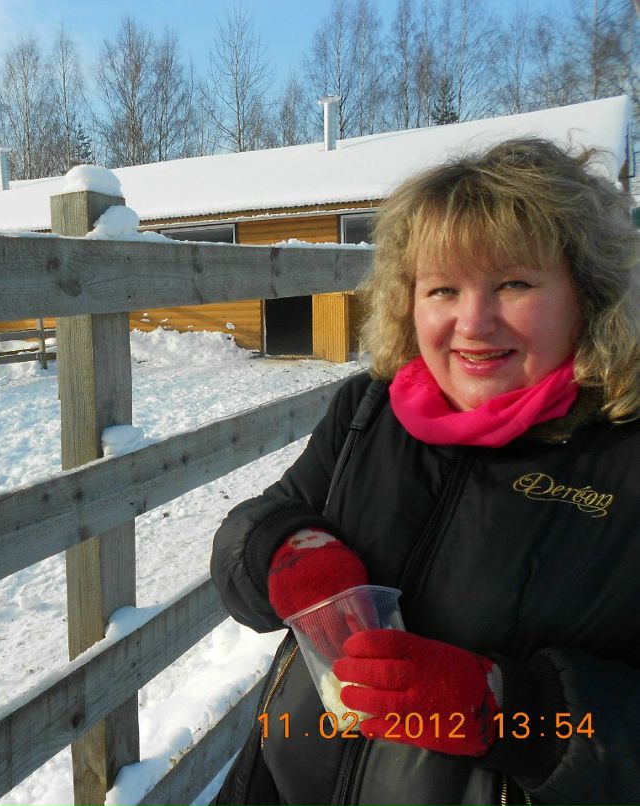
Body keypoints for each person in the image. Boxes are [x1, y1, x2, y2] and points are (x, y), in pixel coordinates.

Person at [210, 137, 640, 805]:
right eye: (443, 288)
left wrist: (510, 713)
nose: (473, 321)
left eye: (514, 283)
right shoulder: (368, 412)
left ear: (588, 293)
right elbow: (252, 528)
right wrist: (288, 552)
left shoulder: (623, 458)